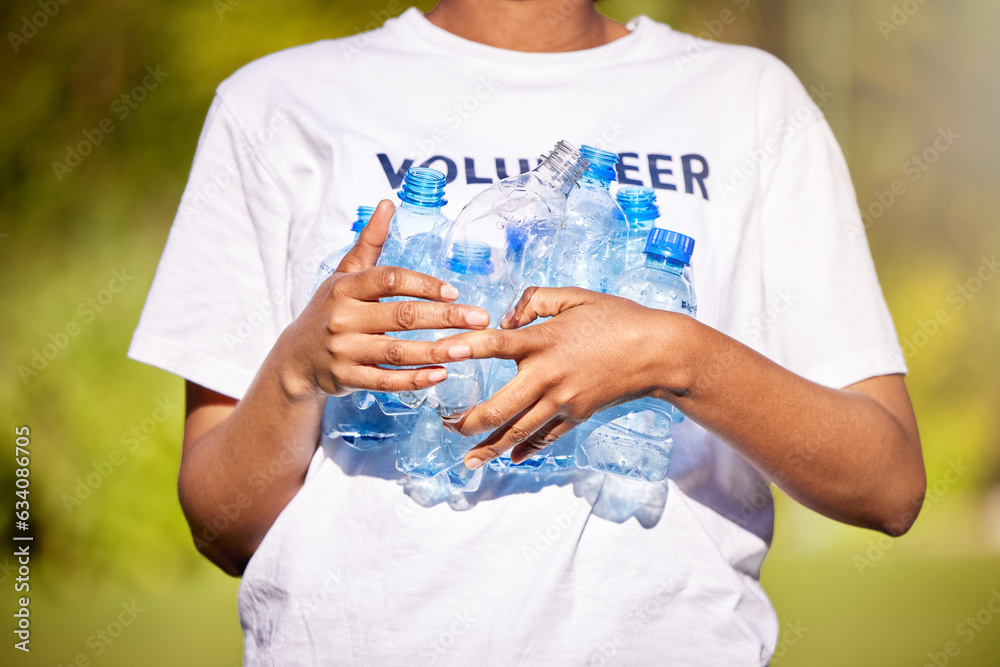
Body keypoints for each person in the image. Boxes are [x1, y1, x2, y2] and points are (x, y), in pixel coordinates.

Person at [128, 0, 926, 664]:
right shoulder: (275, 104)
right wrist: (299, 370)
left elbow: (886, 483)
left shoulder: (750, 99)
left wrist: (672, 355)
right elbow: (224, 525)